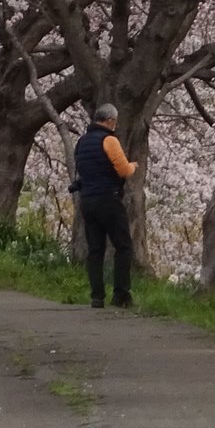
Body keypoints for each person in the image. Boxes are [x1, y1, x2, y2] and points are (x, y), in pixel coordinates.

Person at [73, 102, 137, 309]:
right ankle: (121, 294)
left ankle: (97, 296)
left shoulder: (82, 142)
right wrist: (133, 166)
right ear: (110, 121)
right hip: (108, 199)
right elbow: (123, 170)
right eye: (115, 122)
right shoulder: (109, 140)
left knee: (95, 249)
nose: (115, 125)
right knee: (123, 246)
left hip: (87, 200)